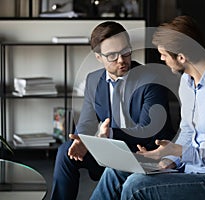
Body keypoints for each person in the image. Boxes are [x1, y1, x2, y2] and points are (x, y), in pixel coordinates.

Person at [90, 15, 205, 200]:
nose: (161, 58)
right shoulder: (187, 81)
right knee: (115, 172)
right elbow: (186, 132)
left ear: (182, 57)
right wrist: (168, 161)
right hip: (186, 169)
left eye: (165, 55)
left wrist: (175, 151)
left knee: (136, 186)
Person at [50, 21, 176, 200]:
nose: (122, 60)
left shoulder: (151, 78)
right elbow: (86, 122)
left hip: (144, 152)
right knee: (65, 151)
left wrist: (110, 135)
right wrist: (82, 140)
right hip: (111, 150)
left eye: (126, 51)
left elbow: (149, 130)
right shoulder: (93, 80)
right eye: (112, 55)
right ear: (98, 57)